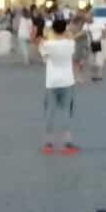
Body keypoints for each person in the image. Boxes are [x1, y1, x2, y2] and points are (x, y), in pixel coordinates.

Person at [39, 18, 79, 155]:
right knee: (67, 112)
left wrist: (46, 35)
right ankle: (67, 143)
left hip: (51, 81)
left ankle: (48, 143)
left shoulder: (47, 44)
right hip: (67, 80)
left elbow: (43, 57)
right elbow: (70, 38)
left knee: (50, 112)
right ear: (64, 29)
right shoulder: (70, 43)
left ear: (53, 30)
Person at [86, 16, 106, 81]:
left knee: (98, 59)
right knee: (92, 60)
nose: (88, 20)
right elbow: (87, 34)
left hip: (98, 43)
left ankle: (99, 75)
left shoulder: (99, 24)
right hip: (91, 43)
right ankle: (94, 75)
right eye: (87, 19)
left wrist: (98, 39)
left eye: (89, 18)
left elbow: (104, 33)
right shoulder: (86, 25)